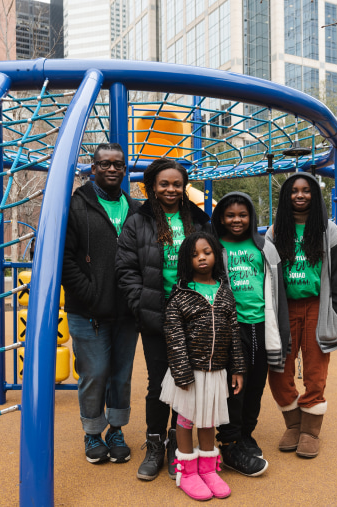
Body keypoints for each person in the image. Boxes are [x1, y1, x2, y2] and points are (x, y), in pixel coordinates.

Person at [115, 157, 212, 481]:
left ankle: (177, 443)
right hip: (156, 315)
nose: (171, 189)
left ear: (183, 186)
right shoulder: (138, 221)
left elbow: (214, 262)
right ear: (152, 187)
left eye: (176, 184)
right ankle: (155, 442)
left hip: (193, 315)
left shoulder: (198, 220)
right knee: (158, 383)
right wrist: (141, 304)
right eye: (164, 184)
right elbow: (126, 268)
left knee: (186, 381)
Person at [61, 143, 141, 464]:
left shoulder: (135, 209)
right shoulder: (76, 206)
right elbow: (65, 259)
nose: (111, 169)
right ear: (92, 168)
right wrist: (89, 293)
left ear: (125, 170)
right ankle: (93, 431)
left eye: (118, 165)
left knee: (121, 374)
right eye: (104, 164)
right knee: (94, 371)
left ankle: (116, 430)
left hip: (127, 310)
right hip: (89, 310)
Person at [266, 173, 337, 459]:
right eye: (294, 191)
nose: (300, 195)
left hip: (317, 305)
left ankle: (310, 430)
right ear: (285, 196)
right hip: (285, 307)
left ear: (315, 195)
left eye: (306, 191)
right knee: (278, 368)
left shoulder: (330, 231)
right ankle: (293, 423)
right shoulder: (275, 232)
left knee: (315, 370)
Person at [160, 232, 245, 501]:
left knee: (208, 418)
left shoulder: (224, 292)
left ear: (215, 255)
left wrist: (238, 368)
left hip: (217, 371)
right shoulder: (180, 296)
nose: (202, 258)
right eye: (195, 254)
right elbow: (174, 336)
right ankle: (187, 471)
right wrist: (182, 372)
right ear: (187, 261)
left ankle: (208, 470)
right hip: (189, 372)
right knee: (185, 419)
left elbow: (233, 331)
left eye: (206, 252)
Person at [210, 192, 290, 477]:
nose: (236, 220)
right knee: (234, 387)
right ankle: (229, 440)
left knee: (256, 383)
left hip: (260, 324)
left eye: (242, 215)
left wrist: (282, 330)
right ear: (220, 217)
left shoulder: (265, 247)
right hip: (231, 326)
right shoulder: (213, 246)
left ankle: (246, 434)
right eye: (230, 215)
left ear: (251, 218)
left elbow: (277, 290)